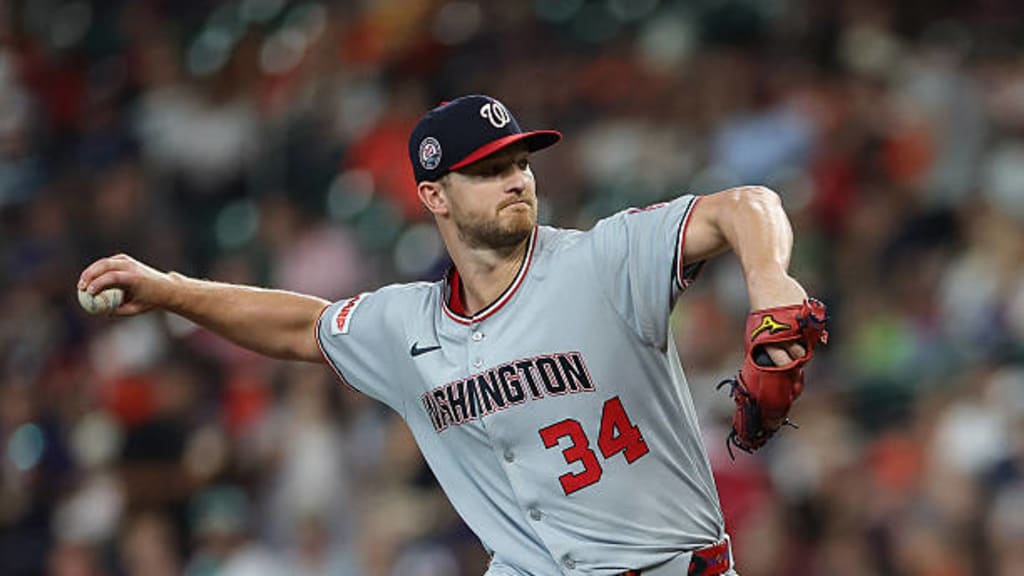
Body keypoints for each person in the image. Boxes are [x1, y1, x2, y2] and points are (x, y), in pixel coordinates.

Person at [79, 95, 824, 576]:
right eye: (488, 170)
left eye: (520, 164)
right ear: (433, 195)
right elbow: (300, 324)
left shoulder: (602, 259)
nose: (517, 181)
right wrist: (171, 290)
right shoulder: (408, 326)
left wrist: (769, 283)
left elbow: (744, 205)